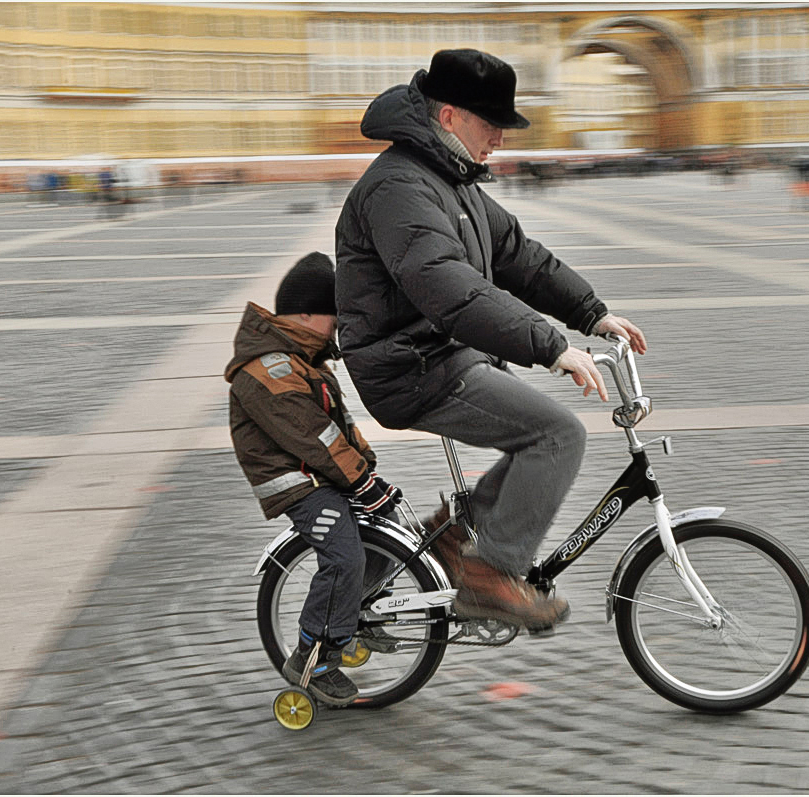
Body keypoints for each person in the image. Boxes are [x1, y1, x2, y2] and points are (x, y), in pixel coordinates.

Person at [335, 49, 647, 633]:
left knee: (535, 433)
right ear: (449, 117)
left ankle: (457, 538)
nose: (500, 139)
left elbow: (519, 258)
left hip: (440, 356)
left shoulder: (453, 182)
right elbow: (446, 287)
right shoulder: (400, 187)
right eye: (491, 125)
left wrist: (592, 313)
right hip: (410, 368)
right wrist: (551, 346)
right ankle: (489, 575)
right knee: (556, 434)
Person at [226, 252, 403, 707]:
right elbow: (312, 437)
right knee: (344, 555)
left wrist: (368, 470)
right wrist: (359, 480)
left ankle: (352, 616)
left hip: (322, 474)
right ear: (305, 314)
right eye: (334, 317)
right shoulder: (269, 368)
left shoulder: (305, 361)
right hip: (298, 484)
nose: (338, 327)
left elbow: (340, 429)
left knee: (388, 536)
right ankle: (312, 656)